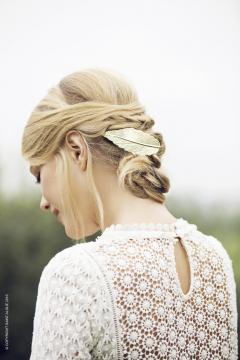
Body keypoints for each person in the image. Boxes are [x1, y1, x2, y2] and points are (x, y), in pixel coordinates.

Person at [21, 68, 238, 359]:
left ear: (75, 150)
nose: (43, 201)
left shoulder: (76, 275)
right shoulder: (215, 261)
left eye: (38, 174)